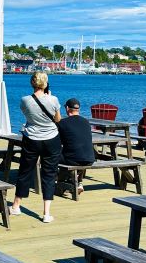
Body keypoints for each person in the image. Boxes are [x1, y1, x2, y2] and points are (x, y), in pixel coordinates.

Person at [11, 71, 62, 223]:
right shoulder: (53, 99)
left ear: (32, 83)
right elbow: (58, 119)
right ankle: (46, 213)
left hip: (31, 138)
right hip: (51, 139)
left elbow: (26, 115)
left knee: (25, 171)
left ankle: (16, 205)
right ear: (45, 84)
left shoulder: (25, 100)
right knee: (49, 173)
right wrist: (49, 98)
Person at [57, 98, 95, 196]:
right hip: (90, 158)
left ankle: (61, 183)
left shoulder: (63, 123)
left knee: (55, 155)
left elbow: (58, 142)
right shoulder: (86, 122)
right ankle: (78, 182)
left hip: (74, 159)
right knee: (77, 153)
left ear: (67, 108)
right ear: (78, 109)